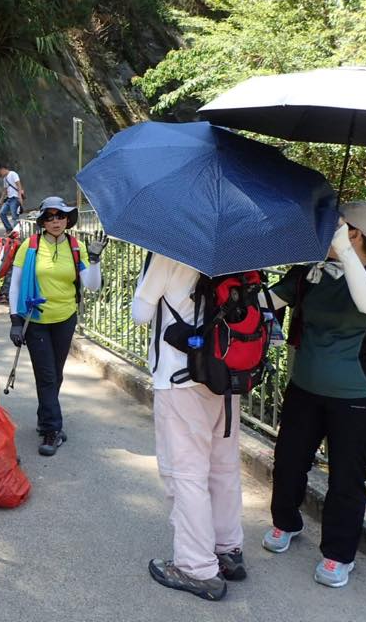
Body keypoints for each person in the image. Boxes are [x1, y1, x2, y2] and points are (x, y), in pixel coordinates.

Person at [261, 205, 366, 589]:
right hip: (304, 385)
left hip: (356, 395)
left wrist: (342, 250)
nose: (321, 235)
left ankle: (339, 554)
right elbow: (266, 303)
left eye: (335, 229)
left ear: (355, 235)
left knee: (346, 476)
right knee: (289, 459)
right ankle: (285, 522)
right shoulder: (311, 271)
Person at [131, 252, 240, 601]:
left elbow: (140, 314)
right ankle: (228, 549)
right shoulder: (237, 248)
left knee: (187, 475)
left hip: (180, 380)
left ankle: (196, 567)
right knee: (223, 468)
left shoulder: (170, 250)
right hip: (226, 376)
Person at [8, 197, 106, 456]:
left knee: (55, 374)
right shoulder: (30, 245)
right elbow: (15, 284)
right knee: (48, 375)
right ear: (42, 221)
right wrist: (15, 321)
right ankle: (52, 431)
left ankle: (44, 417)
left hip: (65, 318)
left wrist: (94, 261)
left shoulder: (76, 247)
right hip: (35, 320)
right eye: (49, 217)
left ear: (67, 219)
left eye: (60, 216)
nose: (55, 221)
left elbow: (92, 285)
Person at [0, 163, 25, 233]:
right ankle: (9, 229)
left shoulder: (13, 174)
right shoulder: (5, 179)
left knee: (14, 216)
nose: (0, 173)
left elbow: (19, 185)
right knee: (2, 213)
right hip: (9, 199)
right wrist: (0, 201)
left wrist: (20, 197)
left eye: (0, 171)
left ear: (2, 169)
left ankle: (16, 232)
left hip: (15, 198)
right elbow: (5, 190)